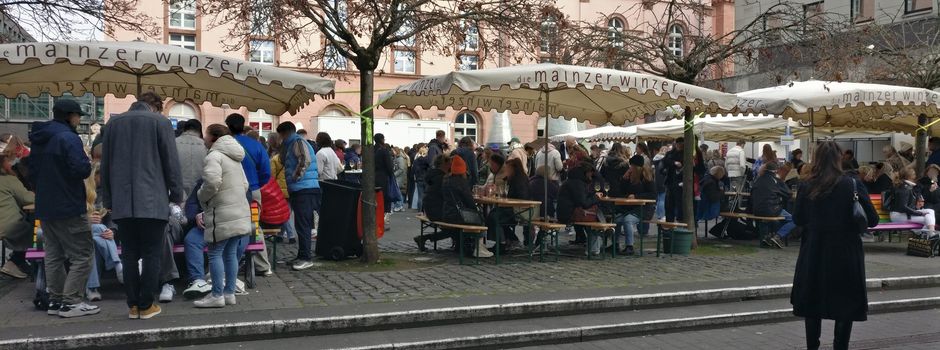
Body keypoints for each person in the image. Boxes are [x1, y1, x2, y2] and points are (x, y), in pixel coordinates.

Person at [100, 92, 183, 319]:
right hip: (153, 202)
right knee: (151, 254)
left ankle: (133, 305)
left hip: (122, 202)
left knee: (128, 254)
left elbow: (105, 165)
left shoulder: (113, 123)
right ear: (155, 106)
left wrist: (108, 200)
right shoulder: (161, 122)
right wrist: (176, 195)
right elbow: (171, 163)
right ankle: (146, 305)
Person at [792, 141, 878, 350]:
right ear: (840, 158)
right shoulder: (852, 184)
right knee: (845, 303)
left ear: (816, 159)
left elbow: (798, 219)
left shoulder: (806, 184)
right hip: (845, 251)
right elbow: (872, 219)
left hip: (814, 250)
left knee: (812, 301)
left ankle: (812, 346)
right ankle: (841, 346)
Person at [30, 99, 96, 317]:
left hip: (45, 205)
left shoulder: (39, 138)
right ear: (70, 116)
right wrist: (87, 163)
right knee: (83, 254)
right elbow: (81, 169)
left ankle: (55, 300)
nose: (79, 120)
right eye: (78, 116)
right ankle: (71, 302)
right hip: (68, 204)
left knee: (53, 255)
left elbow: (31, 173)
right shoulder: (69, 137)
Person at [192, 125, 251, 308]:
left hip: (221, 212)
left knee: (215, 253)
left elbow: (211, 182)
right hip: (238, 210)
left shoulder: (214, 156)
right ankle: (229, 293)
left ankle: (217, 295)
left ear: (213, 138)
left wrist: (202, 197)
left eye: (206, 135)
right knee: (231, 253)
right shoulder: (235, 157)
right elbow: (245, 184)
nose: (204, 139)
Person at [224, 114, 272, 276]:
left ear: (227, 126)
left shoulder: (223, 144)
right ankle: (262, 265)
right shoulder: (256, 145)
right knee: (254, 226)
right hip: (252, 191)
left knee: (228, 224)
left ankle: (228, 263)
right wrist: (256, 184)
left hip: (228, 191)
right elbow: (266, 171)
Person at [276, 122, 320, 271]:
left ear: (284, 133)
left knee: (303, 225)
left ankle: (306, 257)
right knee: (301, 224)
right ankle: (302, 255)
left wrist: (295, 177)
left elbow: (304, 159)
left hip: (304, 188)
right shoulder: (291, 144)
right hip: (301, 188)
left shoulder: (298, 142)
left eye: (280, 135)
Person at [442, 156, 492, 257]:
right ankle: (479, 247)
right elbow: (470, 202)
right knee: (480, 218)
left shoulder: (446, 181)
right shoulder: (461, 183)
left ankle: (470, 246)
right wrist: (476, 210)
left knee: (478, 216)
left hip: (447, 213)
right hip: (458, 216)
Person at [0, 153, 34, 279]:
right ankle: (17, 262)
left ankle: (19, 262)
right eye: (10, 161)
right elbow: (27, 198)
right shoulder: (9, 180)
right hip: (8, 226)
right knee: (36, 231)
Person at [557, 162, 604, 253]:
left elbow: (581, 197)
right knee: (597, 217)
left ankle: (597, 242)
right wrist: (596, 197)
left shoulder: (572, 181)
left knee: (597, 215)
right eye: (591, 173)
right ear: (586, 172)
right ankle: (594, 247)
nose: (592, 175)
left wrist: (592, 195)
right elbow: (584, 203)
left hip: (565, 212)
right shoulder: (578, 183)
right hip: (570, 214)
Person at [486, 158, 529, 250]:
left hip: (520, 209)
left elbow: (521, 197)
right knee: (493, 214)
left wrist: (507, 199)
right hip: (513, 207)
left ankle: (502, 242)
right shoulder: (513, 179)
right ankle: (509, 239)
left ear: (513, 169)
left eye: (507, 168)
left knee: (495, 217)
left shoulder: (520, 180)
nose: (506, 170)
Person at [616, 155, 655, 255]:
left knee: (627, 220)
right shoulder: (630, 176)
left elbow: (653, 195)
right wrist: (624, 179)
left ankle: (630, 246)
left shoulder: (646, 178)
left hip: (644, 208)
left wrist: (637, 196)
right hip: (631, 207)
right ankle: (615, 244)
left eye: (632, 166)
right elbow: (621, 191)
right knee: (617, 219)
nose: (630, 168)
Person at [751, 162, 795, 249]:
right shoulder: (776, 180)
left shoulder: (758, 180)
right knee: (794, 220)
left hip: (756, 210)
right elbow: (788, 194)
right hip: (772, 209)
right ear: (776, 170)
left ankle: (766, 237)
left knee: (768, 220)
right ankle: (778, 236)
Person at [414, 154, 452, 251]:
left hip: (429, 209)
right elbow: (447, 196)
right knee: (455, 227)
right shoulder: (442, 178)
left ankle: (424, 238)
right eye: (449, 164)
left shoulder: (433, 175)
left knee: (454, 227)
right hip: (437, 210)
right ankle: (424, 238)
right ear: (445, 164)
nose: (451, 166)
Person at [888, 168, 936, 233]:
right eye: (914, 174)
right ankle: (931, 234)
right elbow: (903, 207)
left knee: (930, 211)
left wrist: (917, 210)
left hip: (904, 214)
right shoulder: (905, 188)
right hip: (898, 216)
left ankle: (928, 233)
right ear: (909, 176)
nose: (915, 175)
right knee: (927, 218)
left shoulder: (907, 186)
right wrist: (920, 213)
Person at [176, 119, 206, 204]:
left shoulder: (174, 142)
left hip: (178, 189)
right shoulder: (205, 145)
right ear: (199, 129)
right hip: (199, 190)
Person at [662, 137, 685, 222]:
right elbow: (665, 161)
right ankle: (669, 223)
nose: (679, 146)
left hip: (681, 182)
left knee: (680, 204)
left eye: (680, 144)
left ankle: (680, 222)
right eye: (677, 144)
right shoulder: (671, 153)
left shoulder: (685, 153)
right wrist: (674, 163)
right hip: (670, 181)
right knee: (669, 204)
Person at [374, 134, 396, 221]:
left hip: (373, 176)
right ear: (382, 140)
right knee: (385, 197)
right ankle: (383, 218)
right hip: (383, 176)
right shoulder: (384, 150)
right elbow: (389, 166)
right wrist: (391, 175)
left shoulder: (371, 149)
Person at [652, 144, 667, 221]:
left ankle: (658, 214)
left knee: (659, 199)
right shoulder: (664, 160)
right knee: (662, 199)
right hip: (663, 181)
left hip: (656, 181)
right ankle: (661, 215)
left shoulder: (655, 160)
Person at [412, 146, 430, 210]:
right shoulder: (428, 160)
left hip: (419, 179)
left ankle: (420, 210)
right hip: (426, 179)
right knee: (427, 196)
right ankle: (425, 210)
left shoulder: (416, 160)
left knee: (420, 196)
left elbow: (413, 170)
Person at [393, 147, 409, 212]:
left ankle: (399, 205)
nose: (392, 152)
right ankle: (400, 205)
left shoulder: (400, 159)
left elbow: (401, 169)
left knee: (398, 192)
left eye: (393, 151)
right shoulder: (399, 158)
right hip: (400, 177)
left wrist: (394, 174)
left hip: (399, 178)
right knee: (398, 192)